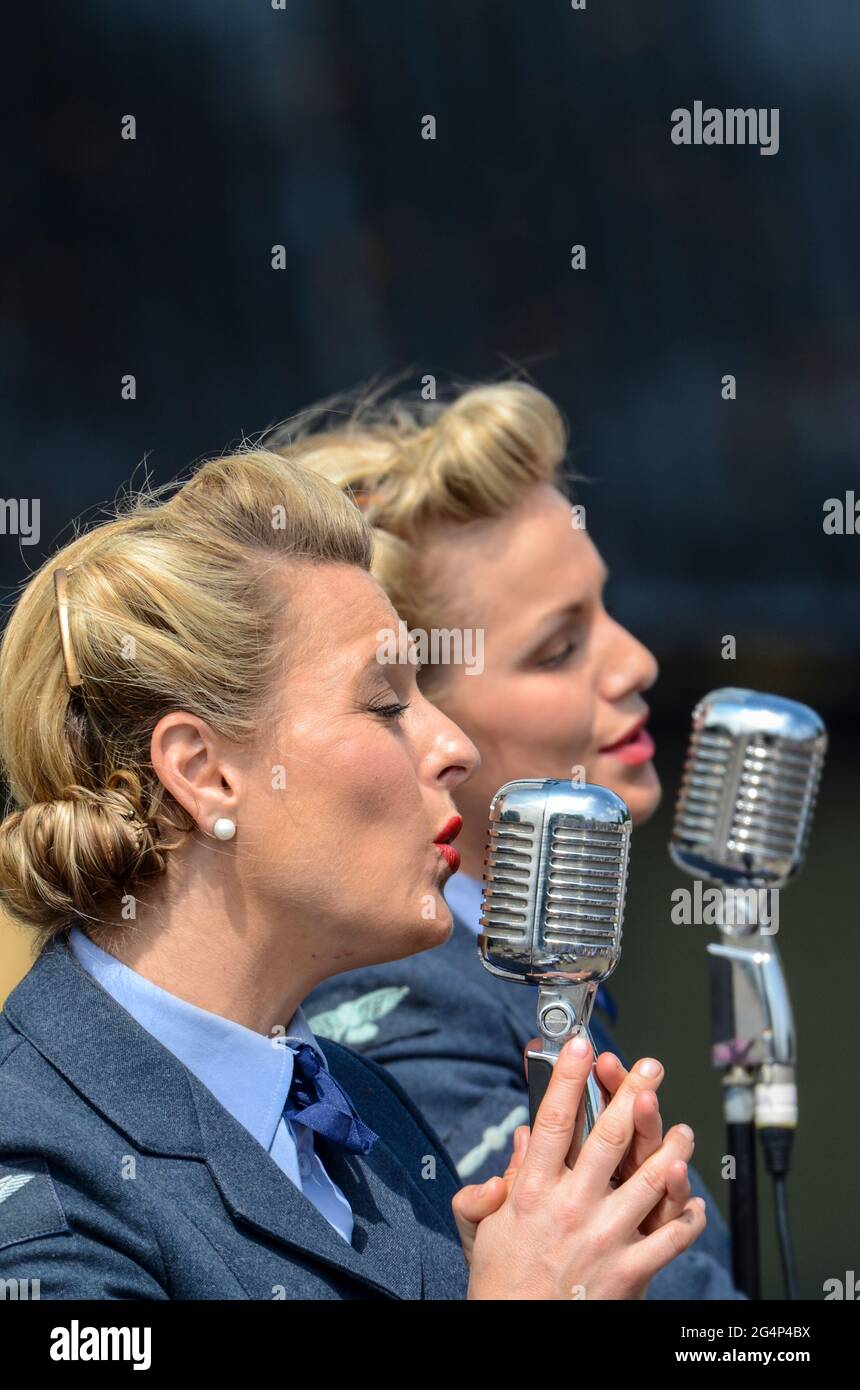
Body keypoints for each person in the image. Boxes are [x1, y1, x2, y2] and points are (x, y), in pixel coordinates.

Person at [0, 446, 706, 1300]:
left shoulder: (360, 1104)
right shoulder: (36, 1164)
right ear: (205, 770)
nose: (456, 750)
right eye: (385, 705)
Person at [268, 377, 745, 1299]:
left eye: (605, 611)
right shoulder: (403, 1012)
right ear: (409, 703)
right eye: (558, 648)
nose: (638, 662)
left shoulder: (516, 965)